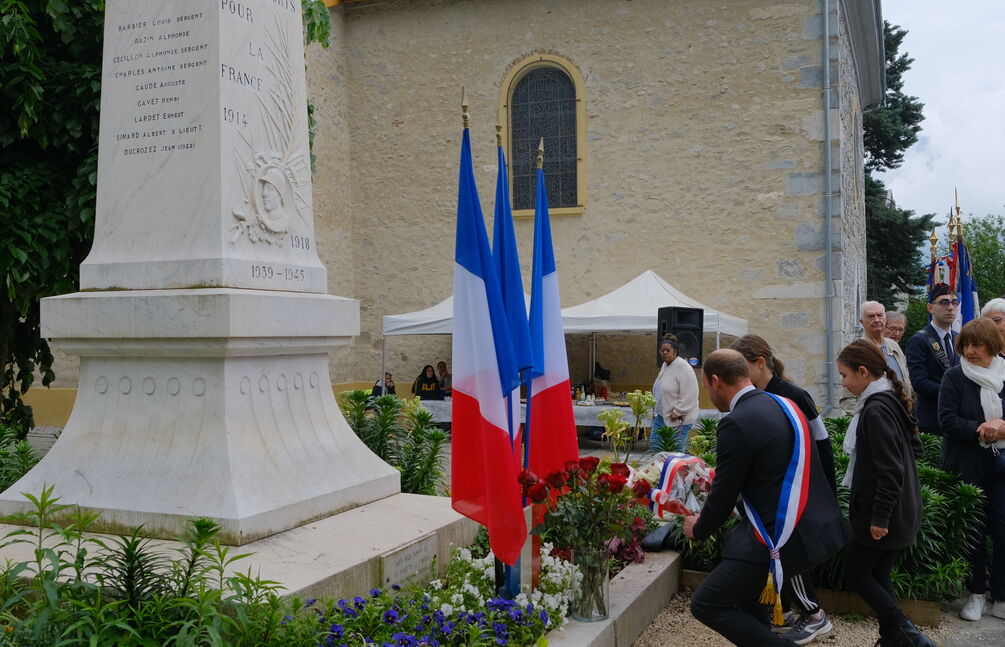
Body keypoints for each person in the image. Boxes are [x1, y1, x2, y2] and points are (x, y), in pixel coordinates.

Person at [685, 350, 846, 647]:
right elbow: (769, 468)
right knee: (748, 598)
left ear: (716, 381)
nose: (708, 392)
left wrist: (698, 528)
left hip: (782, 539)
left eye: (706, 386)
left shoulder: (735, 422)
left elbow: (723, 496)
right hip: (819, 528)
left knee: (707, 603)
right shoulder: (784, 404)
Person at [730, 335, 836, 644]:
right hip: (770, 494)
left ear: (760, 363)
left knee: (788, 555)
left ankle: (814, 614)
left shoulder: (793, 395)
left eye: (742, 367)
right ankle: (783, 607)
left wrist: (822, 492)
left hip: (797, 493)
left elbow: (821, 444)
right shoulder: (752, 396)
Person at [837, 340, 933, 647]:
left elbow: (890, 470)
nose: (843, 382)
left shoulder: (876, 409)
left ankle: (910, 636)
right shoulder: (888, 399)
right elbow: (913, 449)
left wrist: (879, 517)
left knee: (859, 574)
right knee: (879, 576)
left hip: (885, 513)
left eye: (844, 375)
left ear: (863, 372)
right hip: (903, 508)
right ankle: (893, 640)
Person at [937, 318, 1005, 622]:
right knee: (974, 532)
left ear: (992, 345)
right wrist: (983, 428)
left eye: (977, 344)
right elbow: (947, 420)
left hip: (1001, 465)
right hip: (966, 463)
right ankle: (975, 592)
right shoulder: (954, 377)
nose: (970, 350)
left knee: (1002, 529)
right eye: (965, 344)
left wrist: (1001, 427)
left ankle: (1000, 596)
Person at [906, 283, 960, 436]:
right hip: (932, 421)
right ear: (930, 308)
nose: (950, 307)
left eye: (954, 302)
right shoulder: (919, 340)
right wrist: (953, 392)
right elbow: (919, 382)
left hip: (958, 417)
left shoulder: (958, 338)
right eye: (944, 302)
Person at [652, 335, 699, 452]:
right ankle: (659, 470)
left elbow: (691, 394)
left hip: (678, 419)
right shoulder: (665, 365)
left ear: (675, 352)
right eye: (662, 350)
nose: (664, 353)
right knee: (655, 447)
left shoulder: (684, 368)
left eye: (668, 350)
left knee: (675, 454)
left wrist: (677, 412)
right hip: (661, 416)